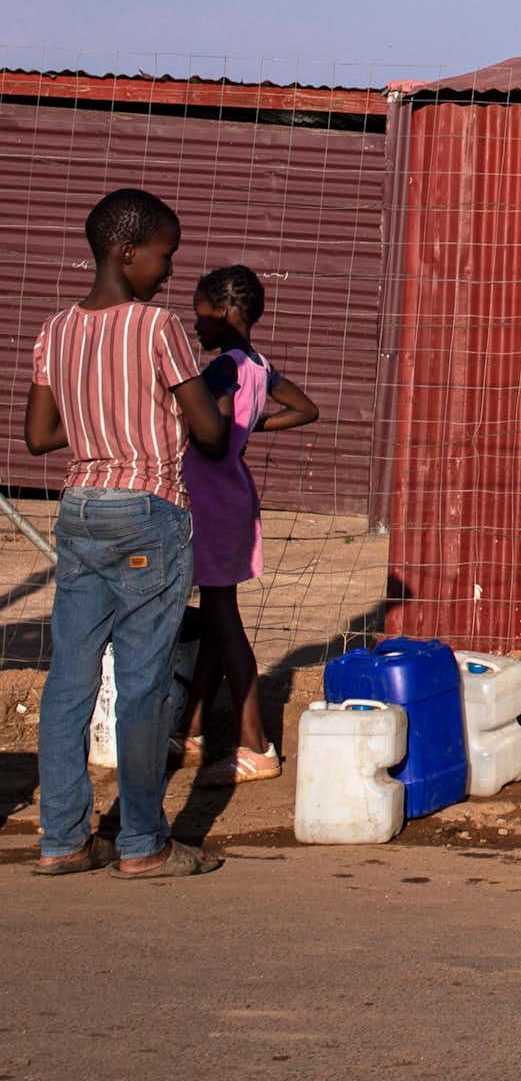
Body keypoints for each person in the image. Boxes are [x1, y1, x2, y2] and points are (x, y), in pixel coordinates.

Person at [24, 187, 231, 878]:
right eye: (163, 256)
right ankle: (143, 842)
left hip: (81, 506)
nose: (168, 270)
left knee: (68, 682)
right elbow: (205, 431)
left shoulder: (56, 330)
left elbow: (38, 434)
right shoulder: (158, 327)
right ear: (126, 251)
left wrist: (97, 423)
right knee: (143, 684)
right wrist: (217, 409)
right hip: (148, 507)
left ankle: (63, 838)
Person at [170, 264, 320, 782]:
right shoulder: (260, 366)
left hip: (209, 500)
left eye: (202, 315)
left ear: (228, 312)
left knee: (224, 620)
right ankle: (189, 730)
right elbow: (306, 409)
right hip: (234, 497)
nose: (196, 325)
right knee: (217, 615)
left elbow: (206, 433)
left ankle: (254, 744)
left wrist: (218, 428)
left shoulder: (221, 369)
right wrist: (252, 425)